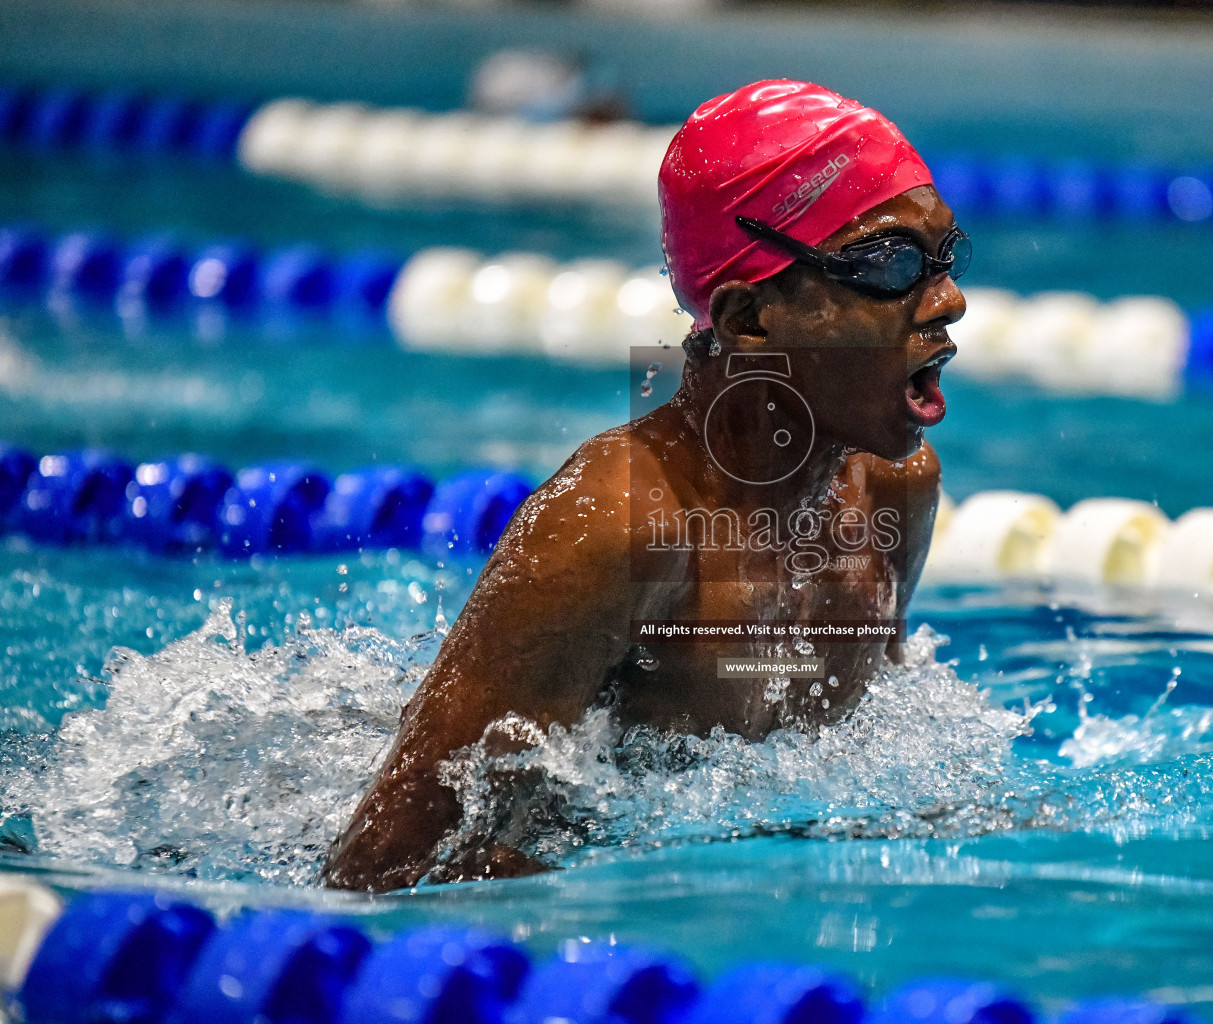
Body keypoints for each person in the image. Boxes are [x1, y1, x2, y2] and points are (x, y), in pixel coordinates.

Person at [324, 80, 969, 892]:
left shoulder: (893, 488)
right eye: (890, 266)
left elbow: (870, 758)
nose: (949, 299)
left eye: (945, 256)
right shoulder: (618, 527)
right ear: (747, 319)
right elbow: (380, 869)